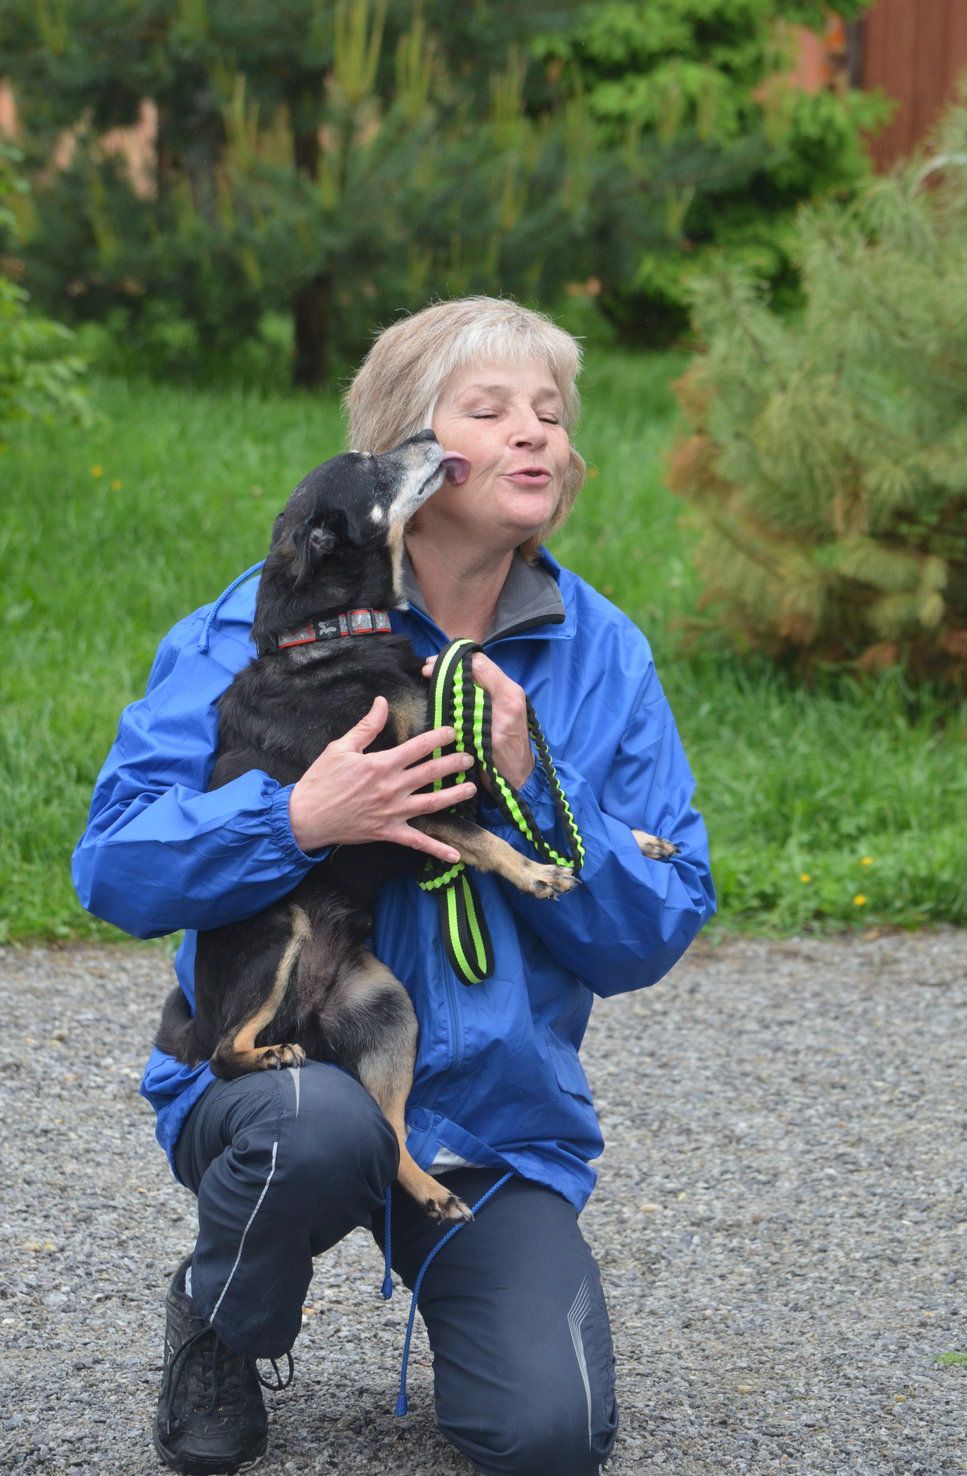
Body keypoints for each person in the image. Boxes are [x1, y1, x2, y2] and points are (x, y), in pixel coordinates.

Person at [73, 295, 716, 1476]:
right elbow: (112, 866)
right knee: (314, 1129)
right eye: (491, 409)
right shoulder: (254, 629)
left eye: (553, 413)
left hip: (490, 1131)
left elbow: (652, 933)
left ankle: (460, 1262)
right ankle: (224, 1317)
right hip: (286, 1093)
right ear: (400, 457)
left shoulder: (600, 651)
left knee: (549, 1437)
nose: (537, 434)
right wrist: (294, 819)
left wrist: (530, 782)